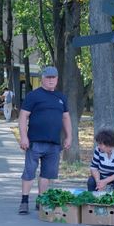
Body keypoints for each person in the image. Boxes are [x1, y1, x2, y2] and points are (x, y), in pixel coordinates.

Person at [18, 66, 72, 214]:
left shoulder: (61, 98)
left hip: (54, 144)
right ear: (42, 78)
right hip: (35, 142)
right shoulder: (33, 96)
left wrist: (69, 136)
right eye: (48, 77)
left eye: (53, 77)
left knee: (47, 174)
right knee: (29, 172)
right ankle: (24, 201)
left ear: (57, 79)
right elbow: (23, 116)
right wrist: (23, 136)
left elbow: (66, 118)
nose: (50, 80)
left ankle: (41, 201)